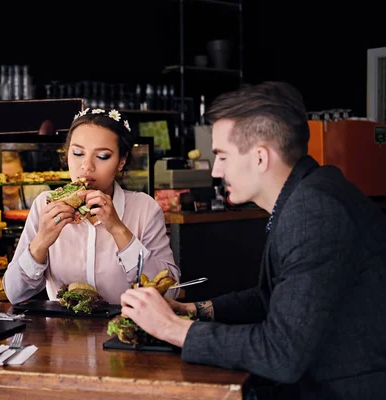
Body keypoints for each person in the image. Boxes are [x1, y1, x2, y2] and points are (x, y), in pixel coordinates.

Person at [120, 82, 386, 399]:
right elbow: (270, 297)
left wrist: (171, 328)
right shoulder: (308, 193)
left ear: (260, 157)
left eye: (221, 156)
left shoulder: (313, 212)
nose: (215, 171)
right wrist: (191, 310)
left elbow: (281, 354)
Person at [3, 108, 179, 305]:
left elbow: (170, 292)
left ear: (121, 161)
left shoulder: (144, 208)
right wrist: (41, 241)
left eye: (102, 156)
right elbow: (14, 293)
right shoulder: (44, 204)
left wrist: (118, 229)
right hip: (61, 333)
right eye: (77, 153)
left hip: (126, 329)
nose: (86, 166)